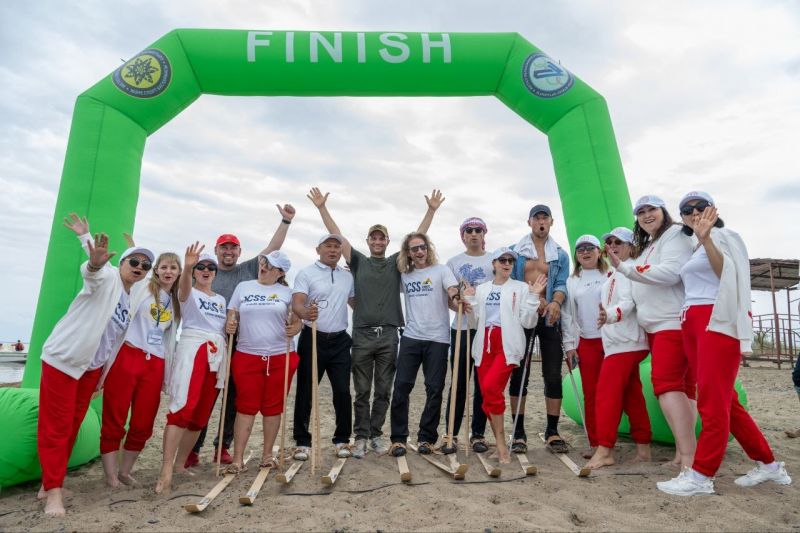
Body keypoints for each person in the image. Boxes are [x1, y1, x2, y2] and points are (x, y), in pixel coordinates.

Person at [657, 192, 791, 496]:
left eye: (699, 207)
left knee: (711, 401)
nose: (693, 212)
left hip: (715, 320)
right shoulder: (693, 247)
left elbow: (726, 274)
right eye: (686, 210)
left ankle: (702, 475)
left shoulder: (725, 236)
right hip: (692, 321)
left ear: (713, 210)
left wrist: (706, 239)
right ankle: (769, 466)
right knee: (727, 400)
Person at [306, 187, 444, 458]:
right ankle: (360, 437)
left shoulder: (396, 262)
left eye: (382, 238)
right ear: (368, 241)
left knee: (383, 390)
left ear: (388, 242)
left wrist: (431, 211)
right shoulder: (358, 261)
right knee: (362, 390)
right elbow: (339, 237)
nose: (378, 241)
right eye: (374, 238)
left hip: (390, 335)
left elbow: (417, 240)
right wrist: (322, 208)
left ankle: (377, 435)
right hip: (362, 335)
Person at [37, 219, 152, 516]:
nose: (139, 267)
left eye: (145, 265)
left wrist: (101, 376)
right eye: (135, 261)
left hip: (90, 370)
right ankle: (53, 495)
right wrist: (92, 256)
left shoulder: (128, 297)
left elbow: (111, 340)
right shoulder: (109, 277)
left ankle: (48, 482)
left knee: (72, 427)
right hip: (65, 361)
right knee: (57, 427)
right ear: (123, 262)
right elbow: (92, 274)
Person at [189, 204, 295, 467]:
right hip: (208, 344)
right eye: (223, 247)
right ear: (215, 252)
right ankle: (192, 449)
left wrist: (285, 221)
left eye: (232, 248)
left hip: (238, 344)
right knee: (205, 397)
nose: (228, 251)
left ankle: (222, 447)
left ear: (239, 252)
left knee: (234, 400)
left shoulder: (246, 271)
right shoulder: (202, 273)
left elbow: (272, 248)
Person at [608, 195, 696, 469]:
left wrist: (625, 268)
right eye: (641, 212)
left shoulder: (675, 235)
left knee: (667, 386)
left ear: (663, 211)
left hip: (671, 322)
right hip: (658, 325)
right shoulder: (651, 245)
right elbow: (634, 293)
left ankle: (689, 460)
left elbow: (670, 273)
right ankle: (683, 454)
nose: (646, 215)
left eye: (652, 210)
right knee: (683, 388)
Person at [98, 250, 181, 487]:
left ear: (179, 273)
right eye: (163, 267)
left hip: (155, 362)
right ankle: (111, 476)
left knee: (143, 423)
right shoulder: (141, 287)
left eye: (173, 268)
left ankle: (125, 471)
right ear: (155, 270)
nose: (168, 272)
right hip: (128, 355)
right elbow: (121, 276)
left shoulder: (175, 301)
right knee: (115, 417)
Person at [155, 245, 227, 493]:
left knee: (201, 414)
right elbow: (183, 290)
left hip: (216, 353)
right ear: (195, 271)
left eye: (211, 268)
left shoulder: (220, 299)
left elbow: (222, 326)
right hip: (193, 349)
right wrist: (186, 267)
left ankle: (179, 464)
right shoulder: (188, 291)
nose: (206, 271)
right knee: (182, 408)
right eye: (201, 267)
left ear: (216, 273)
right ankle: (165, 468)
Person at [463, 247, 545, 463]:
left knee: (490, 389)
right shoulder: (481, 289)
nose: (507, 263)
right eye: (502, 260)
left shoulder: (521, 288)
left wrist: (534, 296)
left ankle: (501, 447)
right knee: (487, 399)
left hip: (507, 344)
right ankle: (500, 444)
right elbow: (473, 323)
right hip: (483, 346)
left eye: (510, 260)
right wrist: (469, 301)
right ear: (494, 264)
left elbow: (529, 322)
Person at [224, 251, 302, 472]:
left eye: (271, 265)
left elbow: (297, 322)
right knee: (245, 407)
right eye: (264, 261)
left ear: (280, 273)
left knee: (273, 407)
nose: (264, 266)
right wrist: (230, 324)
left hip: (280, 355)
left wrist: (296, 326)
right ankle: (237, 458)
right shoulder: (244, 287)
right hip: (247, 355)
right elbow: (233, 315)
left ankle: (267, 455)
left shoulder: (288, 292)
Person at [585, 227, 652, 470]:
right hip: (619, 342)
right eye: (609, 242)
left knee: (606, 394)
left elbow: (628, 303)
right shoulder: (615, 273)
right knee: (632, 395)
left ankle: (605, 450)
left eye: (618, 242)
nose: (612, 245)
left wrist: (610, 316)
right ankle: (643, 448)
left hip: (626, 342)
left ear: (630, 246)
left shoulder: (628, 270)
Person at [389, 233, 461, 456]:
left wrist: (458, 297)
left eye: (422, 247)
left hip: (438, 339)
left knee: (434, 389)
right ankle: (399, 438)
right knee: (401, 387)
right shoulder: (403, 275)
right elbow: (381, 278)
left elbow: (451, 289)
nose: (419, 252)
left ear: (428, 248)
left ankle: (426, 438)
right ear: (408, 253)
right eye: (414, 249)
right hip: (411, 337)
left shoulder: (441, 270)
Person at [508, 204, 570, 453]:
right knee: (519, 372)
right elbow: (511, 282)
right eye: (537, 218)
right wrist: (532, 298)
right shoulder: (516, 252)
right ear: (529, 222)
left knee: (553, 373)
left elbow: (563, 283)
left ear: (551, 222)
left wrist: (554, 301)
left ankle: (552, 431)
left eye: (545, 218)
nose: (541, 222)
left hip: (549, 317)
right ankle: (519, 432)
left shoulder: (560, 255)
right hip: (522, 316)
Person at [291, 235, 356, 459]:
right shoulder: (306, 273)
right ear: (318, 248)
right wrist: (304, 313)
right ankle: (302, 441)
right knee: (306, 391)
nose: (333, 250)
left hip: (339, 339)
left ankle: (342, 440)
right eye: (328, 246)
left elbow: (355, 303)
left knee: (342, 391)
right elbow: (298, 302)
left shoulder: (347, 277)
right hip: (313, 336)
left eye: (337, 246)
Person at [443, 217, 493, 454]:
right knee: (459, 383)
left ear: (484, 234)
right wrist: (459, 304)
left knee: (482, 383)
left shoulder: (494, 260)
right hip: (461, 328)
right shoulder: (453, 262)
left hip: (485, 329)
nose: (474, 234)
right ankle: (451, 434)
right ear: (462, 235)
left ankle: (478, 434)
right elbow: (449, 299)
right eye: (469, 230)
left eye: (478, 230)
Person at [560, 234, 609, 458]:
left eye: (590, 248)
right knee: (591, 393)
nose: (586, 252)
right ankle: (596, 443)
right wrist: (570, 346)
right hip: (587, 341)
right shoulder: (572, 281)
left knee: (619, 390)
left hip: (612, 341)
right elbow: (568, 315)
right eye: (580, 250)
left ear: (599, 251)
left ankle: (638, 443)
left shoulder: (610, 273)